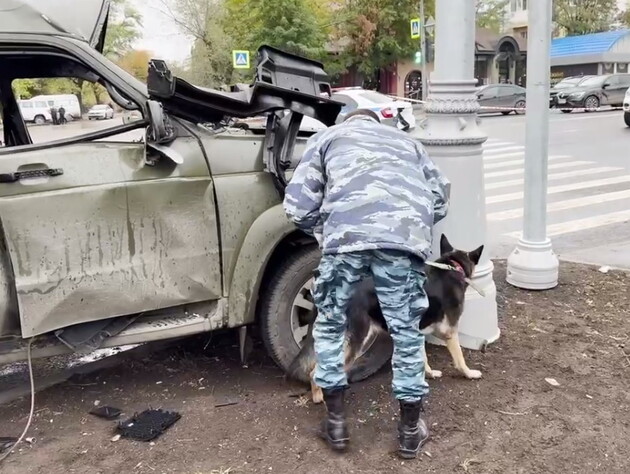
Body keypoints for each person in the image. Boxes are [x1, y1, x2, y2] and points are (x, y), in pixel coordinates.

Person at [283, 109, 450, 459]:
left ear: (347, 123)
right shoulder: (408, 143)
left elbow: (297, 207)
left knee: (329, 328)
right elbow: (439, 200)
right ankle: (409, 432)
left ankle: (337, 425)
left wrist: (329, 231)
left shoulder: (327, 139)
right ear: (378, 123)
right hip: (402, 244)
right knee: (406, 333)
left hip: (345, 243)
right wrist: (403, 229)